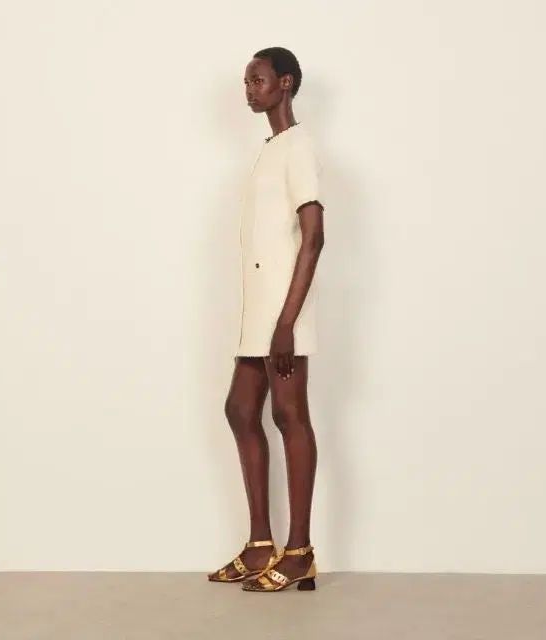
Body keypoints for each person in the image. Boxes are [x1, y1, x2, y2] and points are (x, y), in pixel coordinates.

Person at [207, 47, 325, 592]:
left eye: (257, 80)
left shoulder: (299, 147)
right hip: (259, 310)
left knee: (289, 414)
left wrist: (286, 323)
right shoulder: (271, 148)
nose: (249, 89)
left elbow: (313, 237)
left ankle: (299, 551)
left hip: (284, 312)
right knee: (239, 409)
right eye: (246, 82)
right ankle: (260, 545)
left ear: (286, 83)